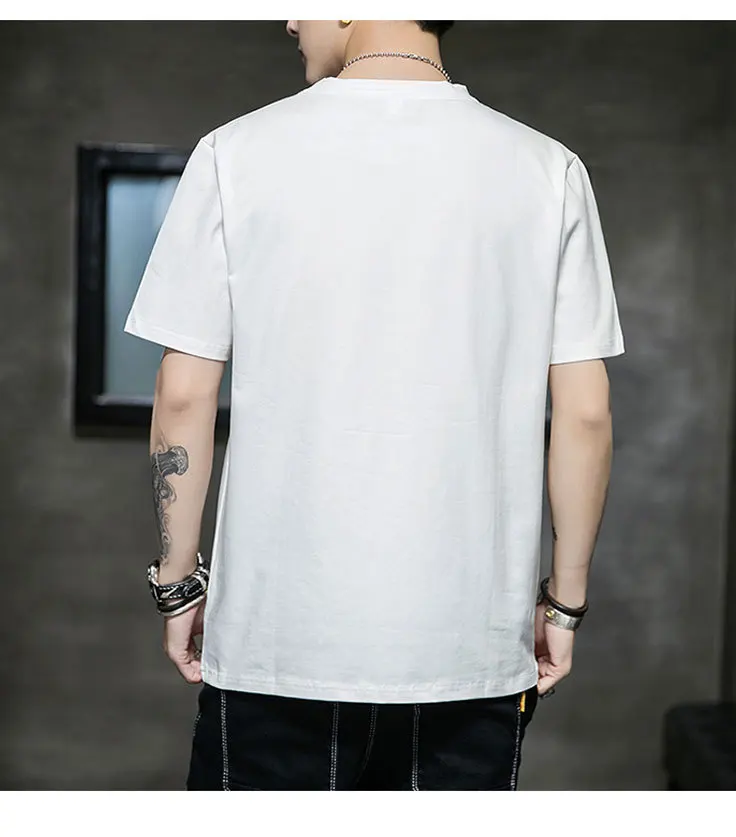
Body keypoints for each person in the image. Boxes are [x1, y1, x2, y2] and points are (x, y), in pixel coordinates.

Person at [124, 20, 625, 791]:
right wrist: (563, 606)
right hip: (469, 654)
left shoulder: (234, 153)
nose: (290, 19)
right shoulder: (547, 170)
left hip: (274, 646)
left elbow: (184, 390)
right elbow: (585, 413)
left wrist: (178, 582)